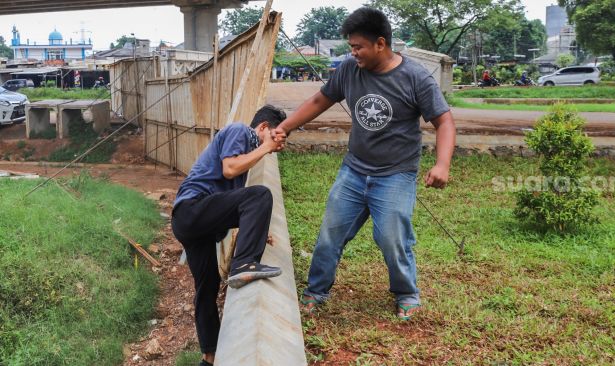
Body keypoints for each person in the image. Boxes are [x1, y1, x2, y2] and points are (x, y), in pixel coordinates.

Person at [272, 7, 455, 321]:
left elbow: (444, 122)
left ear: (381, 44)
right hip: (354, 171)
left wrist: (442, 164)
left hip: (396, 174)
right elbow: (319, 100)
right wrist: (284, 127)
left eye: (358, 47)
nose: (352, 52)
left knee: (392, 238)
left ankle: (406, 293)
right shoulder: (348, 70)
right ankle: (316, 292)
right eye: (350, 46)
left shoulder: (415, 78)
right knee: (331, 233)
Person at [171, 105, 288, 366]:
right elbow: (229, 170)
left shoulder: (248, 146)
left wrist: (257, 229)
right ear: (264, 128)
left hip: (191, 222)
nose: (280, 142)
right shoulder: (240, 131)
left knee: (207, 287)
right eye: (278, 135)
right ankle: (244, 264)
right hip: (193, 209)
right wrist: (265, 147)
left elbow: (228, 204)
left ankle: (208, 357)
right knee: (260, 194)